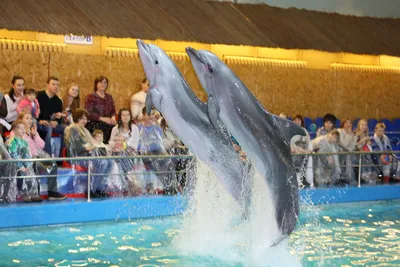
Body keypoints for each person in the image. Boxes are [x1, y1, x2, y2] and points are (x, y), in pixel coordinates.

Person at [10, 113, 66, 201]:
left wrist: (35, 134)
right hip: (25, 159)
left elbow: (42, 145)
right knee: (34, 165)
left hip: (37, 157)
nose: (30, 120)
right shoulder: (15, 132)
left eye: (31, 118)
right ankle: (35, 193)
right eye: (27, 118)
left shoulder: (33, 131)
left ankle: (52, 192)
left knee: (53, 165)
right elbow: (15, 147)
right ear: (20, 120)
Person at [64, 109, 113, 198]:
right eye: (82, 118)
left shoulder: (84, 130)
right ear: (77, 118)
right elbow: (74, 149)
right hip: (77, 157)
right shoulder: (72, 129)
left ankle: (100, 188)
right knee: (101, 162)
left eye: (86, 119)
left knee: (110, 161)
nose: (85, 121)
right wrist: (88, 148)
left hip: (88, 155)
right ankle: (91, 189)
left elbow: (92, 145)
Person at [6, 120, 42, 203]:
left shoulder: (24, 142)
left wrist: (28, 164)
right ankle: (25, 194)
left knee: (31, 172)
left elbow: (26, 154)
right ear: (14, 130)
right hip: (15, 165)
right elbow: (14, 155)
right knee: (23, 174)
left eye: (24, 128)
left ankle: (33, 193)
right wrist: (21, 166)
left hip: (24, 163)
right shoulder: (12, 142)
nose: (23, 130)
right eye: (20, 128)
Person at [37, 76, 67, 156]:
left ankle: (62, 157)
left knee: (66, 128)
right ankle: (47, 157)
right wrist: (39, 120)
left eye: (57, 85)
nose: (56, 86)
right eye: (53, 84)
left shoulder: (58, 101)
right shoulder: (38, 96)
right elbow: (33, 112)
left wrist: (56, 122)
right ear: (47, 85)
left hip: (51, 123)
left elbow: (59, 117)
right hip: (39, 123)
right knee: (48, 128)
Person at [85, 76, 117, 143]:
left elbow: (113, 110)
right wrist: (103, 119)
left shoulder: (109, 97)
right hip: (95, 124)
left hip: (109, 123)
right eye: (100, 82)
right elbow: (88, 112)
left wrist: (113, 117)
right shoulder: (90, 96)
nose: (103, 84)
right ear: (96, 84)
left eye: (105, 82)